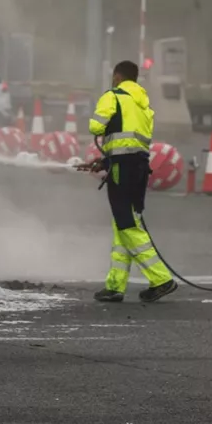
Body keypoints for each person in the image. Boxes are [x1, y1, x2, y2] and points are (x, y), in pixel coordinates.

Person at [87, 60, 177, 303]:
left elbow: (95, 125)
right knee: (123, 224)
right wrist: (105, 162)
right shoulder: (144, 106)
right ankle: (115, 286)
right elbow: (131, 145)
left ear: (117, 77)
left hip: (122, 170)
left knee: (127, 225)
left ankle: (161, 279)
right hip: (138, 168)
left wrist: (109, 159)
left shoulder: (113, 96)